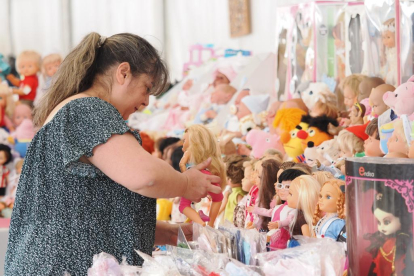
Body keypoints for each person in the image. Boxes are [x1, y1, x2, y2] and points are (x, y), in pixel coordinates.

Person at [4, 32, 222, 276]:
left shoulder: (76, 111)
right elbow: (145, 175)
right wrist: (186, 184)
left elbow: (84, 213)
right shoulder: (88, 110)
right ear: (123, 72)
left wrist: (169, 233)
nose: (146, 102)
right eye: (147, 88)